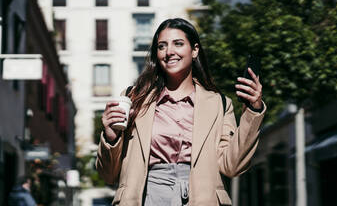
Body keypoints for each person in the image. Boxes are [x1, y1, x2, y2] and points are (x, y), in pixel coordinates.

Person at [96, 18, 266, 206]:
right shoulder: (134, 98)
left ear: (194, 50)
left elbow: (232, 165)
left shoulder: (219, 104)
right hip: (147, 197)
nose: (169, 52)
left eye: (178, 44)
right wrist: (111, 137)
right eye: (162, 46)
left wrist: (253, 111)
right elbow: (108, 174)